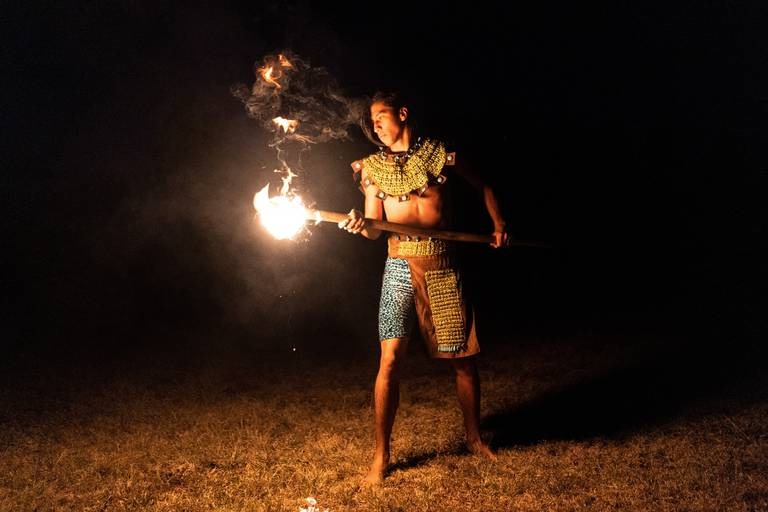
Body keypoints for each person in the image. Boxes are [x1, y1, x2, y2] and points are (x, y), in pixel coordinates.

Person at [338, 91, 510, 485]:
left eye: (380, 117)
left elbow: (484, 185)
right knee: (390, 361)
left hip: (442, 264)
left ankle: (474, 438)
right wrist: (361, 226)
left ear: (402, 113)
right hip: (398, 264)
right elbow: (373, 227)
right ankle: (381, 456)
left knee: (463, 361)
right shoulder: (371, 169)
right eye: (371, 120)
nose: (375, 126)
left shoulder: (439, 154)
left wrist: (498, 225)